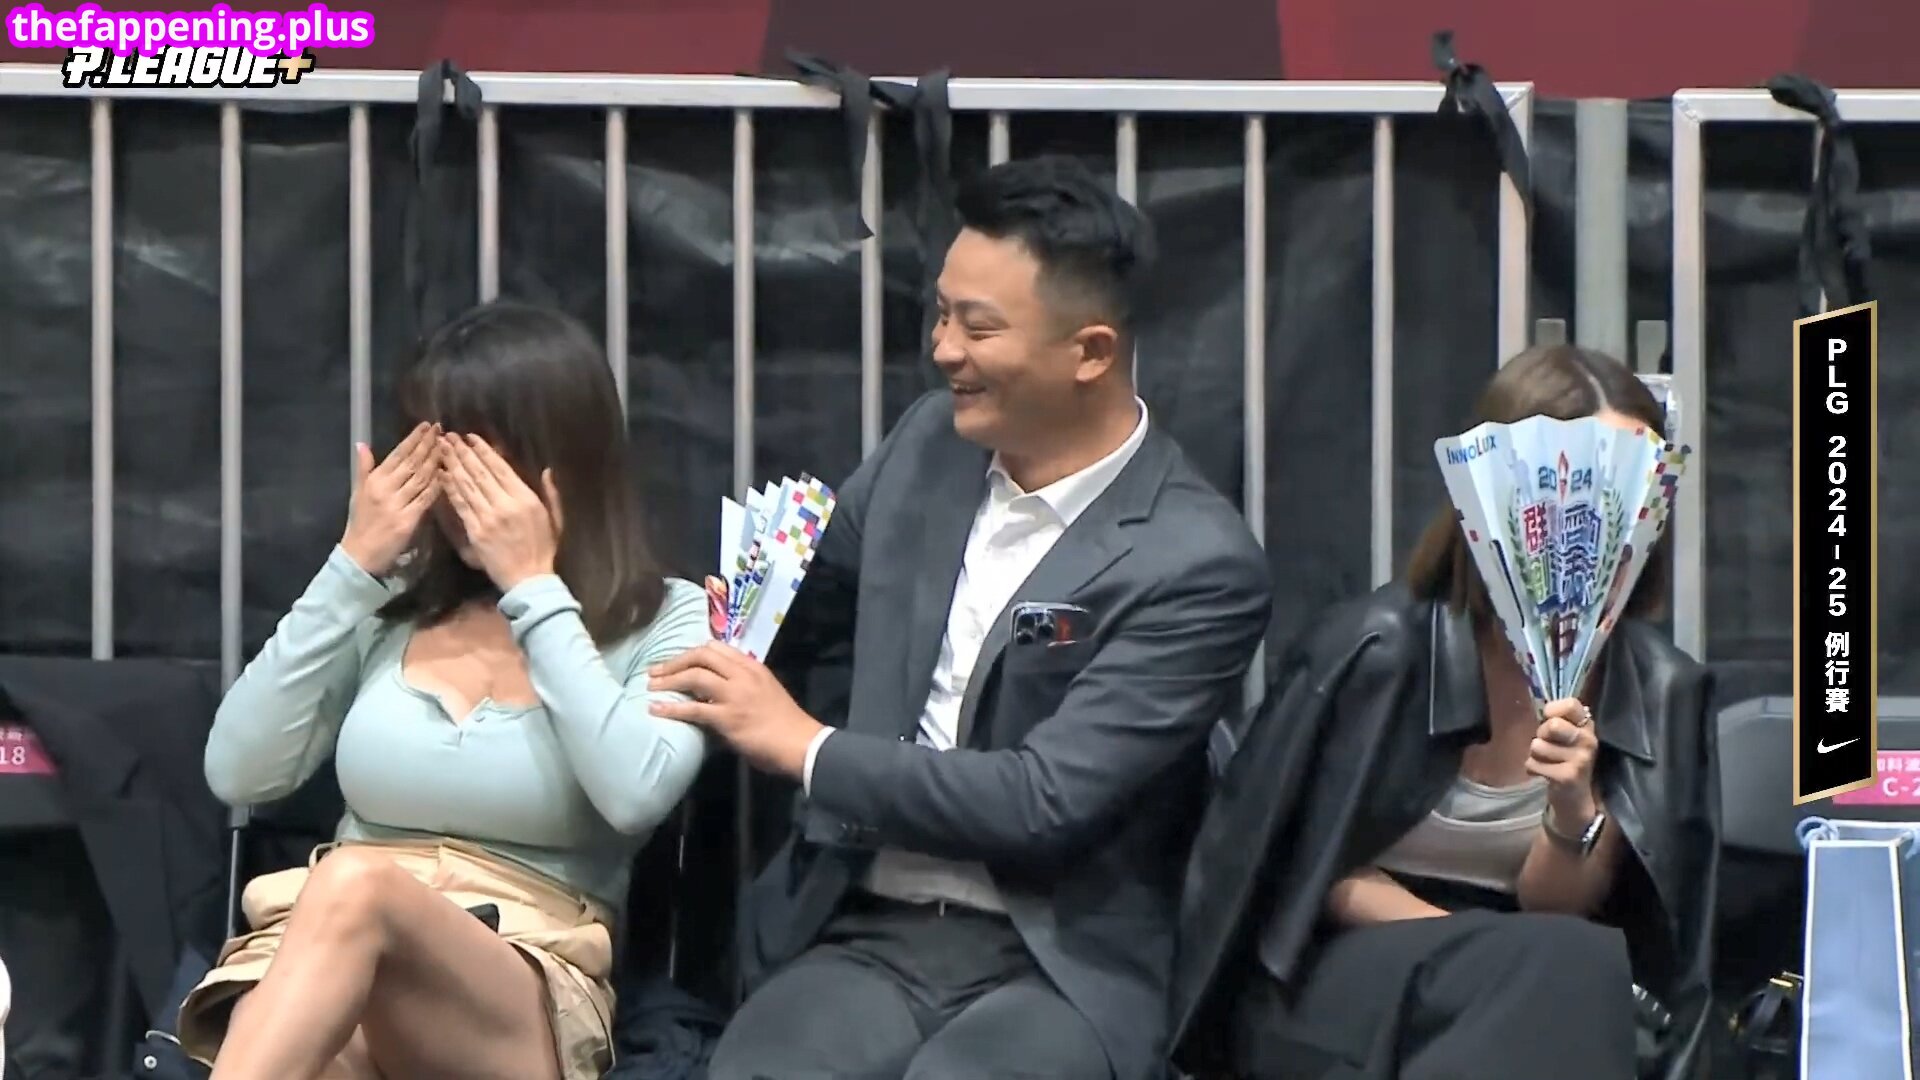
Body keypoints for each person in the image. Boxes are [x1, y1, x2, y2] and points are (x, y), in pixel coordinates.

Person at [647, 155, 1273, 1080]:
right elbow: (804, 613)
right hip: (863, 928)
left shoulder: (1198, 562)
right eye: (941, 315)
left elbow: (1041, 801)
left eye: (978, 328)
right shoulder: (924, 445)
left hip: (1058, 960)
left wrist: (806, 746)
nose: (944, 351)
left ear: (1091, 353)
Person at [175, 301, 712, 1080]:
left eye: (480, 463)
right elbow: (239, 771)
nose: (456, 494)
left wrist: (533, 588)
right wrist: (351, 569)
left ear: (560, 461)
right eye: (434, 459)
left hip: (521, 977)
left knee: (358, 885)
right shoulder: (391, 606)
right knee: (320, 1019)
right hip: (317, 965)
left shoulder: (669, 616)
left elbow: (634, 795)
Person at [1170, 344, 1721, 1080]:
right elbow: (1304, 868)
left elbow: (1566, 909)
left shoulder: (1656, 689)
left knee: (1565, 977)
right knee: (1560, 973)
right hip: (1347, 968)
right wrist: (1482, 946)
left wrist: (1570, 811)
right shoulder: (1377, 650)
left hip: (1544, 978)